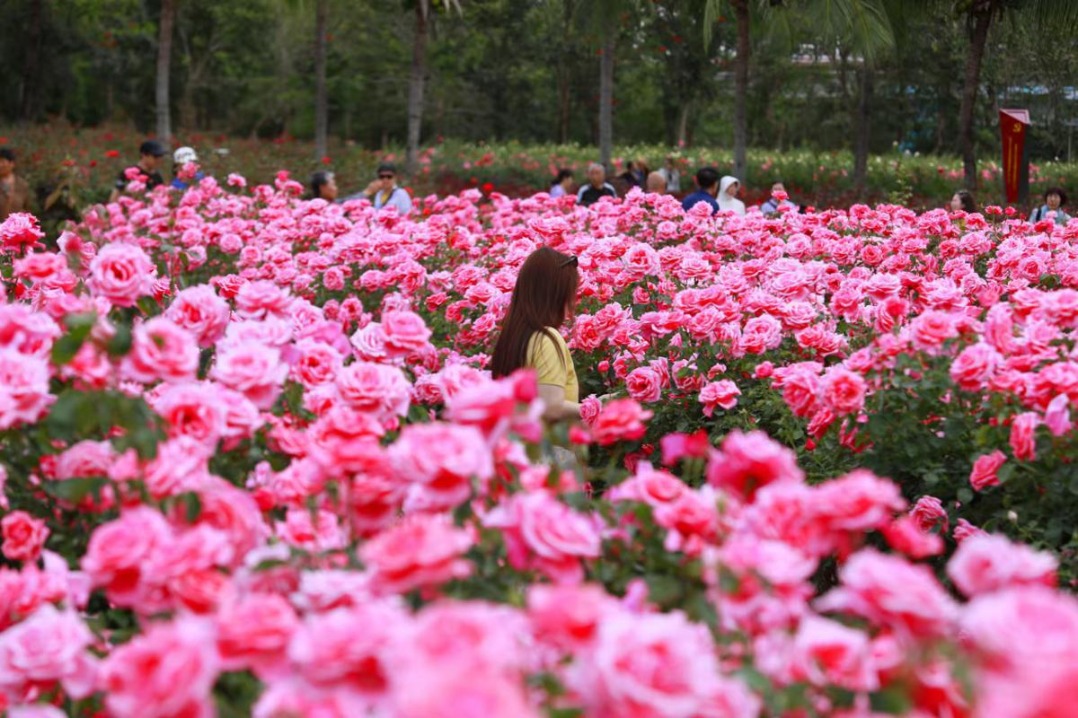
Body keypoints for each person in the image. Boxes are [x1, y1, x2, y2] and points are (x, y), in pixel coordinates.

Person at [491, 246, 580, 422]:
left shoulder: (513, 337)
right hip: (546, 439)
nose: (572, 302)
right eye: (570, 294)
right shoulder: (546, 338)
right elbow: (551, 406)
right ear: (556, 295)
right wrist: (593, 409)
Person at [0, 148, 31, 220]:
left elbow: (27, 209)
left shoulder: (22, 185)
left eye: (2, 161)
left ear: (12, 164)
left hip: (15, 225)